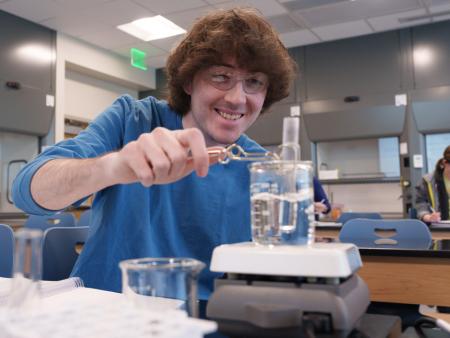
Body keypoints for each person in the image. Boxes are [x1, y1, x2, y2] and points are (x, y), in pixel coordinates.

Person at [12, 8, 297, 299]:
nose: (237, 98)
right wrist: (113, 167)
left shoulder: (262, 169)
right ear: (189, 81)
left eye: (254, 82)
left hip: (201, 322)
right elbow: (27, 192)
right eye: (221, 77)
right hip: (105, 307)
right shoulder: (133, 120)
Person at [415, 145, 450, 223]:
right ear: (445, 163)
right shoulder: (427, 181)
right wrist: (428, 217)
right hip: (439, 227)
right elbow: (421, 204)